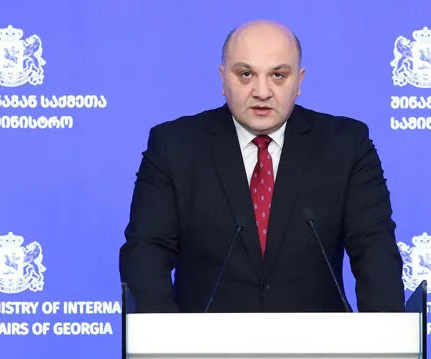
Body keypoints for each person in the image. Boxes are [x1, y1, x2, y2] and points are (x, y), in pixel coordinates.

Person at [119, 19, 405, 313]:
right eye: (246, 74)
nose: (262, 91)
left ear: (299, 81)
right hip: (205, 340)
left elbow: (374, 250)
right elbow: (146, 252)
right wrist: (163, 336)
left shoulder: (346, 145)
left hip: (316, 340)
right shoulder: (174, 145)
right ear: (223, 78)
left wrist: (387, 336)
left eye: (278, 75)